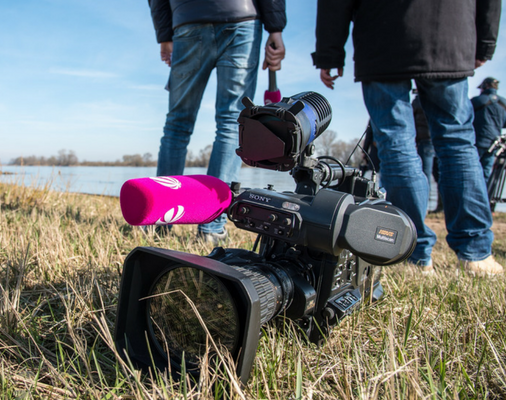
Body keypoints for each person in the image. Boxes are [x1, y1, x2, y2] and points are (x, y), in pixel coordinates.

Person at [312, 0, 503, 276]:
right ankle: (475, 252)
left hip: (382, 32)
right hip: (450, 27)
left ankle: (411, 251)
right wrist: (484, 42)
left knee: (396, 144)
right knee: (457, 141)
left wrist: (329, 52)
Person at [148, 0, 287, 244]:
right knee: (231, 124)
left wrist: (164, 34)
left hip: (187, 20)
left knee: (177, 125)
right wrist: (275, 27)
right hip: (240, 18)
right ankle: (211, 228)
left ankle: (162, 219)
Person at [471, 77, 506, 182]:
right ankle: (484, 196)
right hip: (494, 143)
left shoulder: (477, 101)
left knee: (472, 171)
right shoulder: (503, 103)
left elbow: (465, 118)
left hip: (477, 141)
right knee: (486, 173)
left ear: (485, 86)